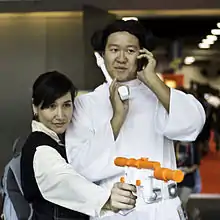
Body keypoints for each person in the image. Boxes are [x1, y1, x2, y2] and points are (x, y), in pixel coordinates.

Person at [65, 20, 206, 220]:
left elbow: (193, 124)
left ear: (142, 55)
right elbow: (79, 165)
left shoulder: (159, 95)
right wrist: (117, 119)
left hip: (161, 209)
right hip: (113, 212)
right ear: (102, 54)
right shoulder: (87, 104)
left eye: (130, 51)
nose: (121, 58)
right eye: (114, 49)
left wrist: (153, 80)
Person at [20, 71, 137, 220]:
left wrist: (118, 117)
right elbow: (64, 179)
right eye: (51, 106)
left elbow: (92, 156)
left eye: (67, 105)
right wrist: (107, 199)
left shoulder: (56, 141)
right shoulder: (41, 149)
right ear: (35, 108)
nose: (60, 115)